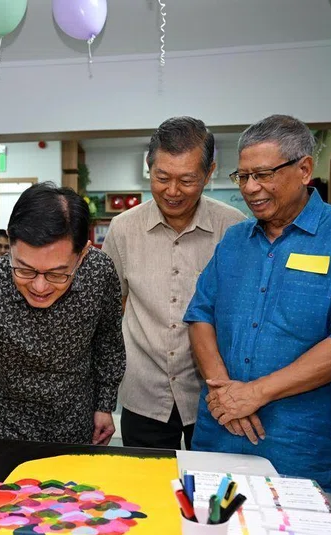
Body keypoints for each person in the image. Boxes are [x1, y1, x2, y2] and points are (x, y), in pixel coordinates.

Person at [184, 114, 331, 494]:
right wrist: (223, 388)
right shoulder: (234, 241)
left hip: (300, 445)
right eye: (242, 177)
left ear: (304, 169)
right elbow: (200, 314)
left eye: (263, 174)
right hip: (220, 431)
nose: (250, 188)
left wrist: (255, 393)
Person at [0, 182, 126, 490]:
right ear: (12, 246)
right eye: (25, 270)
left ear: (82, 254)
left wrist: (104, 404)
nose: (40, 287)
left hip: (75, 423)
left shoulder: (100, 274)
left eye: (58, 273)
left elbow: (108, 342)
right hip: (2, 430)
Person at [103, 116, 244, 450]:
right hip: (143, 393)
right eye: (161, 177)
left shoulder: (234, 228)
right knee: (145, 493)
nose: (172, 191)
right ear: (148, 166)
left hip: (214, 397)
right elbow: (107, 315)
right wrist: (102, 399)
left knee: (213, 493)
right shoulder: (123, 229)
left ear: (209, 173)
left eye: (187, 180)